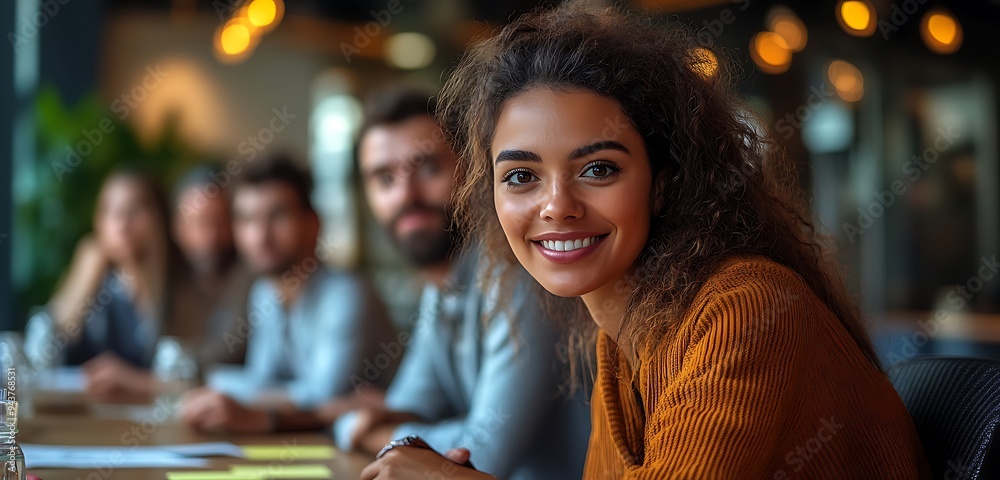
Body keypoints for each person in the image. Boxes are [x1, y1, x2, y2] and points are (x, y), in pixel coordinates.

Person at [360, 2, 932, 479]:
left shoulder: (747, 309)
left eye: (599, 169)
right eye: (520, 176)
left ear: (663, 184)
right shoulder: (619, 338)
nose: (556, 205)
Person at [332, 88, 589, 480]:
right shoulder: (441, 287)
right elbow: (400, 407)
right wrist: (387, 428)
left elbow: (479, 456)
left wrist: (386, 434)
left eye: (429, 168)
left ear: (470, 169)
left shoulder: (521, 274)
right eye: (385, 178)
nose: (406, 195)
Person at [180, 155, 398, 433]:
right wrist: (226, 387)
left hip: (378, 451)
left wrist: (224, 388)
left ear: (313, 223)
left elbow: (324, 396)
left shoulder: (347, 295)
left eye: (277, 215)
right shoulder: (264, 293)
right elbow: (262, 381)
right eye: (247, 219)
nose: (260, 235)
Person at [46, 169, 186, 402]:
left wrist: (136, 382)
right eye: (109, 210)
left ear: (160, 218)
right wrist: (84, 276)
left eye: (134, 210)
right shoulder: (93, 276)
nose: (121, 222)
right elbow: (43, 355)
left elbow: (191, 373)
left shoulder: (181, 282)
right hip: (85, 412)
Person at [170, 166, 255, 367]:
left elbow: (226, 353)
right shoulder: (168, 275)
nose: (211, 237)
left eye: (219, 221)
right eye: (199, 223)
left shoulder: (250, 276)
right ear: (177, 227)